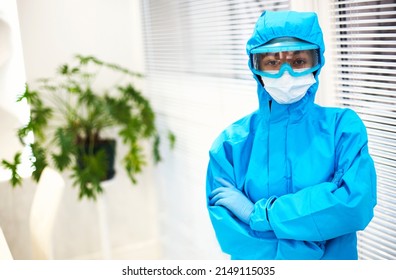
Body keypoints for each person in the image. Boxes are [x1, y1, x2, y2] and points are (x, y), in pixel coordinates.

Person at [206, 10, 377, 260]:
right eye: (272, 63)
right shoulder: (230, 146)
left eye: (298, 62)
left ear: (316, 63)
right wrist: (316, 236)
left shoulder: (342, 129)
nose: (285, 74)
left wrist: (259, 214)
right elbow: (234, 239)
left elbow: (355, 206)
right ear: (256, 67)